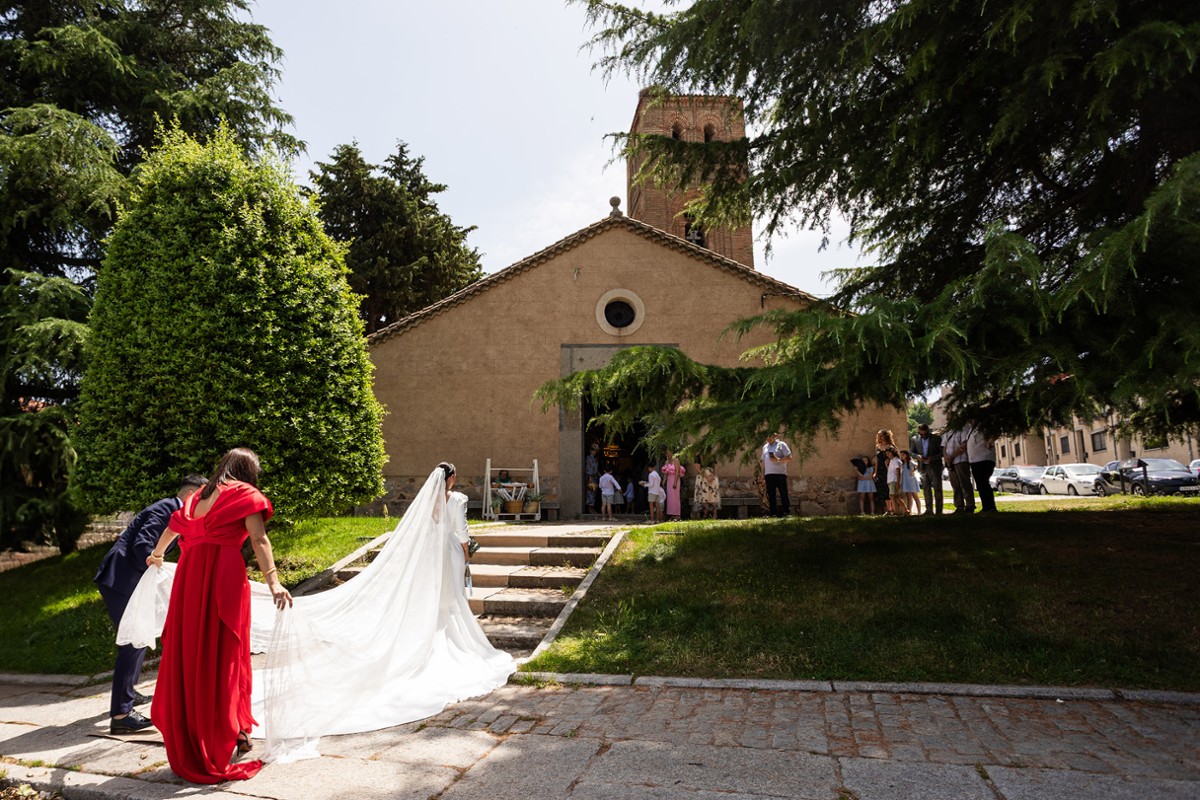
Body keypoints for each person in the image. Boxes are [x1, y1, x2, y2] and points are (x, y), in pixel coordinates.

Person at [248, 461, 514, 762]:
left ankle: (435, 636)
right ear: (451, 479)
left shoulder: (427, 499)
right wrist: (467, 557)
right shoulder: (459, 500)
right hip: (450, 554)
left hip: (430, 557)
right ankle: (449, 641)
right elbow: (462, 533)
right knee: (451, 602)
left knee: (437, 601)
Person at [146, 448, 292, 784]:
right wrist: (274, 582)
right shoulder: (244, 494)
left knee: (193, 654)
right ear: (248, 471)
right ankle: (227, 730)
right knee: (226, 655)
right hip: (223, 578)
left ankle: (221, 728)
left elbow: (172, 530)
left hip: (189, 581)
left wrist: (156, 555)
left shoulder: (196, 498)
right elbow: (259, 538)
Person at [94, 473, 205, 734]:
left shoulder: (177, 513)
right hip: (121, 579)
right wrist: (156, 566)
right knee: (133, 640)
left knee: (139, 637)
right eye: (202, 497)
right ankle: (121, 716)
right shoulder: (168, 507)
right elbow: (143, 544)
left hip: (129, 580)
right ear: (191, 495)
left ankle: (127, 695)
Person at [911, 423, 944, 515]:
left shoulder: (936, 438)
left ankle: (939, 510)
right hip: (923, 467)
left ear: (928, 431)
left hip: (934, 466)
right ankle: (929, 510)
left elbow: (942, 453)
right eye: (921, 434)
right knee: (926, 489)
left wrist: (932, 458)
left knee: (937, 488)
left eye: (925, 434)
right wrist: (917, 456)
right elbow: (911, 452)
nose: (923, 436)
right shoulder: (914, 439)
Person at [966, 426, 998, 513]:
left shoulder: (984, 425)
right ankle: (986, 506)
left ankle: (990, 507)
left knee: (983, 483)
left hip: (984, 458)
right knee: (980, 485)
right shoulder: (971, 429)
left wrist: (990, 442)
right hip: (974, 460)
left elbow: (996, 431)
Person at [945, 426, 976, 513]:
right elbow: (944, 446)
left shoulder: (964, 429)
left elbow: (964, 445)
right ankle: (959, 506)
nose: (948, 420)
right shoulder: (949, 431)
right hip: (950, 462)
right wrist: (946, 458)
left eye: (949, 418)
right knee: (955, 485)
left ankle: (970, 505)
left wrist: (952, 456)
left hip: (961, 460)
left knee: (965, 483)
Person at [761, 432, 792, 517]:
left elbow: (789, 457)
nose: (768, 438)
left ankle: (786, 511)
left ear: (774, 436)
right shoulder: (765, 447)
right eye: (767, 436)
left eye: (770, 436)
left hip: (780, 473)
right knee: (771, 494)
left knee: (783, 493)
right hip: (768, 474)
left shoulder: (781, 444)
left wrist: (778, 459)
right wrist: (762, 475)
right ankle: (773, 513)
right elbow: (763, 462)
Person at [873, 430, 896, 514]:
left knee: (889, 490)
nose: (879, 437)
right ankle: (888, 510)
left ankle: (894, 509)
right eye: (878, 436)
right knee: (883, 490)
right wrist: (875, 472)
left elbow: (896, 459)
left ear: (886, 436)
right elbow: (877, 461)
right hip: (880, 470)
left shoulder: (891, 446)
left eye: (881, 435)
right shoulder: (878, 447)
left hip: (889, 470)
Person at [662, 450, 685, 521]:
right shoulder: (666, 462)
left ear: (672, 453)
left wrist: (675, 482)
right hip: (669, 480)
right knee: (670, 497)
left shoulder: (676, 460)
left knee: (675, 497)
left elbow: (677, 471)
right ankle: (672, 514)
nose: (668, 454)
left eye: (669, 452)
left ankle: (677, 515)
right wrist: (663, 482)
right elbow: (666, 473)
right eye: (667, 453)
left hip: (675, 479)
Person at [885, 447, 906, 515]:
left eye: (889, 453)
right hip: (890, 480)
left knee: (892, 496)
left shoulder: (896, 460)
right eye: (886, 454)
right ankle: (906, 510)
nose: (888, 455)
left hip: (894, 480)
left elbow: (898, 472)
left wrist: (898, 482)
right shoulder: (891, 460)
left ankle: (895, 511)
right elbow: (891, 471)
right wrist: (886, 465)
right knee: (896, 497)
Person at [900, 450, 922, 515]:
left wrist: (913, 470)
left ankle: (919, 511)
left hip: (911, 481)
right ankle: (909, 511)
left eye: (903, 455)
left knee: (915, 496)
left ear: (906, 455)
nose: (901, 456)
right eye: (900, 455)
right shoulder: (902, 464)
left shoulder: (910, 462)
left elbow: (916, 466)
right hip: (905, 481)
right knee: (909, 497)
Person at [584, 442, 600, 513]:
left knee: (594, 493)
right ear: (590, 450)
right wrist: (590, 477)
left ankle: (592, 507)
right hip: (590, 477)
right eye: (593, 450)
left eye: (596, 450)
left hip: (595, 477)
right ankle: (589, 507)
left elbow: (596, 469)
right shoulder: (588, 458)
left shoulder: (595, 459)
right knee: (590, 492)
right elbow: (588, 468)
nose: (595, 452)